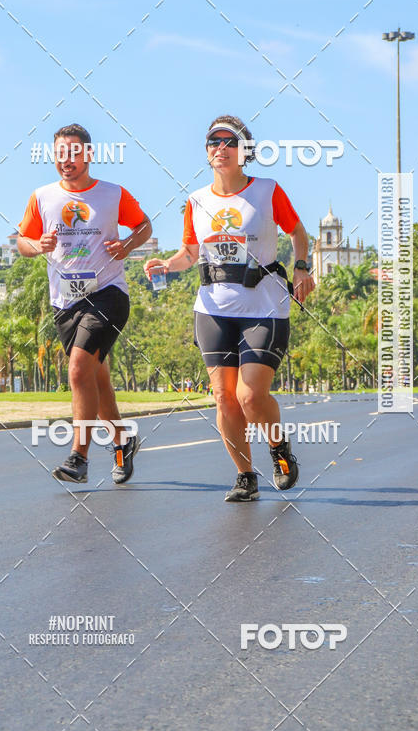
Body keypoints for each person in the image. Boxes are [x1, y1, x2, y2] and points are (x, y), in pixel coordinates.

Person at [145, 115, 315, 501]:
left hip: (265, 307)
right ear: (207, 151)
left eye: (229, 142)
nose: (220, 148)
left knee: (250, 396)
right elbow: (190, 252)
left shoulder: (268, 191)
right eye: (213, 142)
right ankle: (245, 476)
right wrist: (166, 265)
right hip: (212, 308)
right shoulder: (197, 201)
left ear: (245, 151)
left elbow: (298, 233)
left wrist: (302, 267)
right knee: (223, 397)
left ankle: (279, 452)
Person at [18, 123, 152, 484]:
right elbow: (23, 242)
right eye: (61, 153)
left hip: (108, 293)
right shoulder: (43, 196)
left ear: (89, 155)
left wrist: (128, 245)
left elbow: (144, 226)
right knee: (96, 377)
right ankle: (124, 440)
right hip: (66, 303)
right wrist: (37, 246)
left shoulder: (112, 194)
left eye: (74, 153)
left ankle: (79, 457)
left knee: (78, 368)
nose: (67, 160)